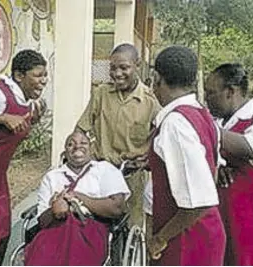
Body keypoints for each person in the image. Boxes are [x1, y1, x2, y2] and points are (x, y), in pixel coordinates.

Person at [147, 45, 226, 265]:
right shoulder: (202, 115)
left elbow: (199, 200)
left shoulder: (175, 123)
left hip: (187, 240)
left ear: (157, 79)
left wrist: (160, 239)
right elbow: (213, 170)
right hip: (204, 232)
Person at [0, 49, 48, 265]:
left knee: (3, 235)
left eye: (45, 75)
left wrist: (30, 122)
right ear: (20, 76)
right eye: (38, 75)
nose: (43, 81)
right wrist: (2, 118)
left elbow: (8, 136)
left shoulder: (25, 102)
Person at [76, 43, 160, 227]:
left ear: (137, 65)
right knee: (94, 225)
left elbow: (161, 134)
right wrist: (77, 152)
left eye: (124, 67)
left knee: (130, 226)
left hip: (131, 177)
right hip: (100, 171)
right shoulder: (101, 94)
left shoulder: (150, 101)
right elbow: (81, 128)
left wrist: (147, 156)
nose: (117, 73)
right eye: (113, 68)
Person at [24, 131, 130, 266]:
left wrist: (77, 197)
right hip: (54, 230)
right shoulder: (52, 176)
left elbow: (117, 208)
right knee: (42, 252)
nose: (77, 146)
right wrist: (55, 209)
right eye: (70, 144)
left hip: (91, 228)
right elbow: (42, 222)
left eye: (83, 143)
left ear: (91, 148)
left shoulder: (105, 170)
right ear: (65, 152)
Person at [205, 63, 253, 265]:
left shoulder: (249, 119)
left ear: (230, 92)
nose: (206, 98)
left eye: (211, 93)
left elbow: (247, 146)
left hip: (246, 224)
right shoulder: (218, 122)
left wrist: (201, 127)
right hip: (223, 220)